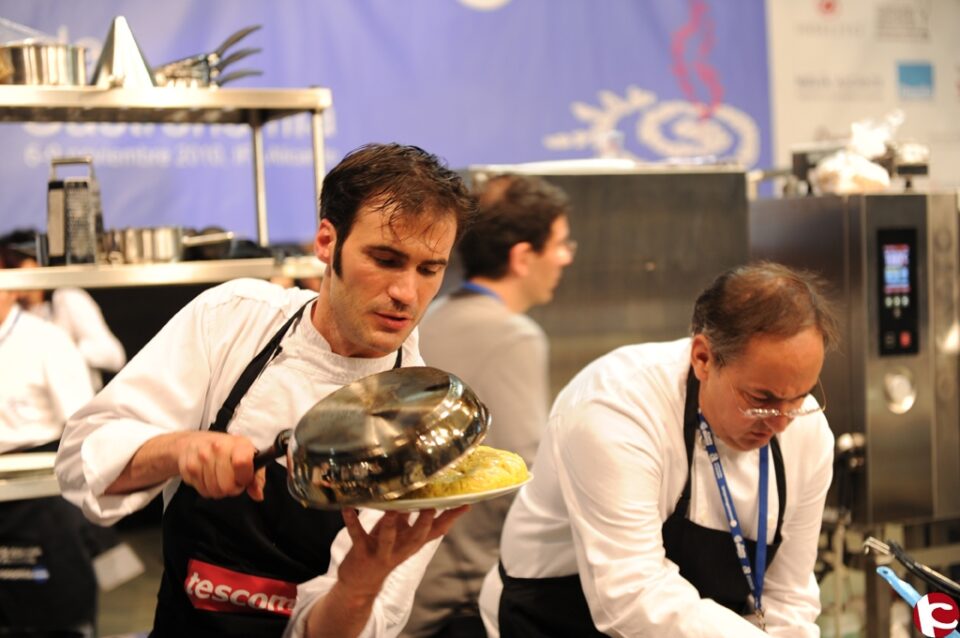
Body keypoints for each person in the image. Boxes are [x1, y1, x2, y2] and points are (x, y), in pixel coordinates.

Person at [55, 143, 478, 638]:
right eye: (385, 259)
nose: (407, 292)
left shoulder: (424, 429)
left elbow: (344, 627)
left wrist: (358, 588)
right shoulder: (233, 319)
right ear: (327, 242)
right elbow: (80, 460)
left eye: (430, 270)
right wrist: (180, 450)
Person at [480, 261, 839, 637]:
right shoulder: (616, 408)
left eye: (799, 397)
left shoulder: (807, 433)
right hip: (554, 618)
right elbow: (632, 597)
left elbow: (789, 598)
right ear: (703, 358)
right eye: (760, 398)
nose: (781, 421)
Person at [403, 174, 576, 638]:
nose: (565, 257)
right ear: (523, 257)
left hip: (409, 585)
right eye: (560, 244)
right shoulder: (512, 336)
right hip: (457, 599)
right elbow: (525, 478)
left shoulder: (435, 317)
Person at [0, 247, 100, 635]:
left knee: (54, 610)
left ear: (11, 287)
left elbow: (82, 421)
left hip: (39, 488)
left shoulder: (47, 340)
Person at [0, 229, 127, 390]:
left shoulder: (66, 298)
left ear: (38, 263)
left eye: (14, 265)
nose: (9, 275)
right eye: (5, 269)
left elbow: (114, 356)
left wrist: (63, 347)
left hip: (79, 397)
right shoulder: (10, 313)